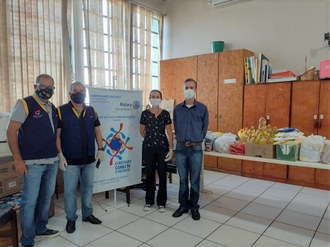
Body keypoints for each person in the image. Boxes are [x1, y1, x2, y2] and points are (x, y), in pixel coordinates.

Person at [6, 74, 59, 247]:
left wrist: (60, 155)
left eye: (50, 86)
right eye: (43, 85)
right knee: (29, 201)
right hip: (32, 163)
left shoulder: (52, 107)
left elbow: (55, 135)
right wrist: (18, 160)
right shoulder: (25, 103)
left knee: (46, 197)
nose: (47, 89)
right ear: (35, 85)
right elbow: (11, 132)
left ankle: (41, 228)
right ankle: (27, 239)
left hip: (52, 161)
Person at [56, 81, 104, 234]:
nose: (79, 93)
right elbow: (56, 135)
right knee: (70, 191)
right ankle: (71, 218)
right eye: (75, 90)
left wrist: (101, 149)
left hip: (89, 158)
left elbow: (97, 131)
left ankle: (87, 214)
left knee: (88, 188)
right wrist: (60, 154)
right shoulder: (60, 111)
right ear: (70, 93)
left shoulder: (91, 110)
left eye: (82, 90)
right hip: (70, 160)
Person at [172, 78, 208, 221]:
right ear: (183, 89)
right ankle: (183, 205)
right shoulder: (177, 109)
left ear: (196, 89)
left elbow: (204, 129)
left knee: (194, 180)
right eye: (186, 87)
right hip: (180, 147)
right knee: (182, 180)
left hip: (196, 148)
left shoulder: (202, 108)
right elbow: (176, 126)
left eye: (191, 87)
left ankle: (194, 207)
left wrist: (196, 139)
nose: (189, 90)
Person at [140, 90, 173, 212]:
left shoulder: (165, 114)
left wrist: (170, 148)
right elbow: (141, 131)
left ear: (161, 99)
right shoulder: (145, 114)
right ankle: (149, 201)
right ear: (149, 98)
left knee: (162, 174)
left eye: (157, 96)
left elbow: (169, 132)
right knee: (149, 174)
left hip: (162, 148)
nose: (155, 98)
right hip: (148, 148)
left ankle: (161, 202)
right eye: (153, 96)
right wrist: (150, 139)